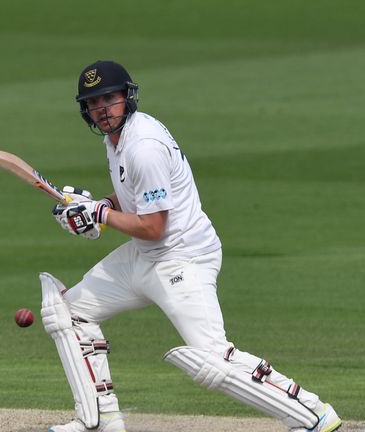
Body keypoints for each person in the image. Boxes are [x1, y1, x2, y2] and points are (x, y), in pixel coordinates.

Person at [40, 60, 342, 432]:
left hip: (182, 257)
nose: (102, 109)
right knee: (68, 313)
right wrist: (98, 206)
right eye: (93, 103)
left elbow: (153, 227)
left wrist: (100, 215)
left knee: (212, 359)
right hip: (144, 256)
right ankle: (100, 420)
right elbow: (135, 196)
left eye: (109, 99)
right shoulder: (115, 138)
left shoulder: (143, 146)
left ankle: (313, 414)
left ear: (126, 97)